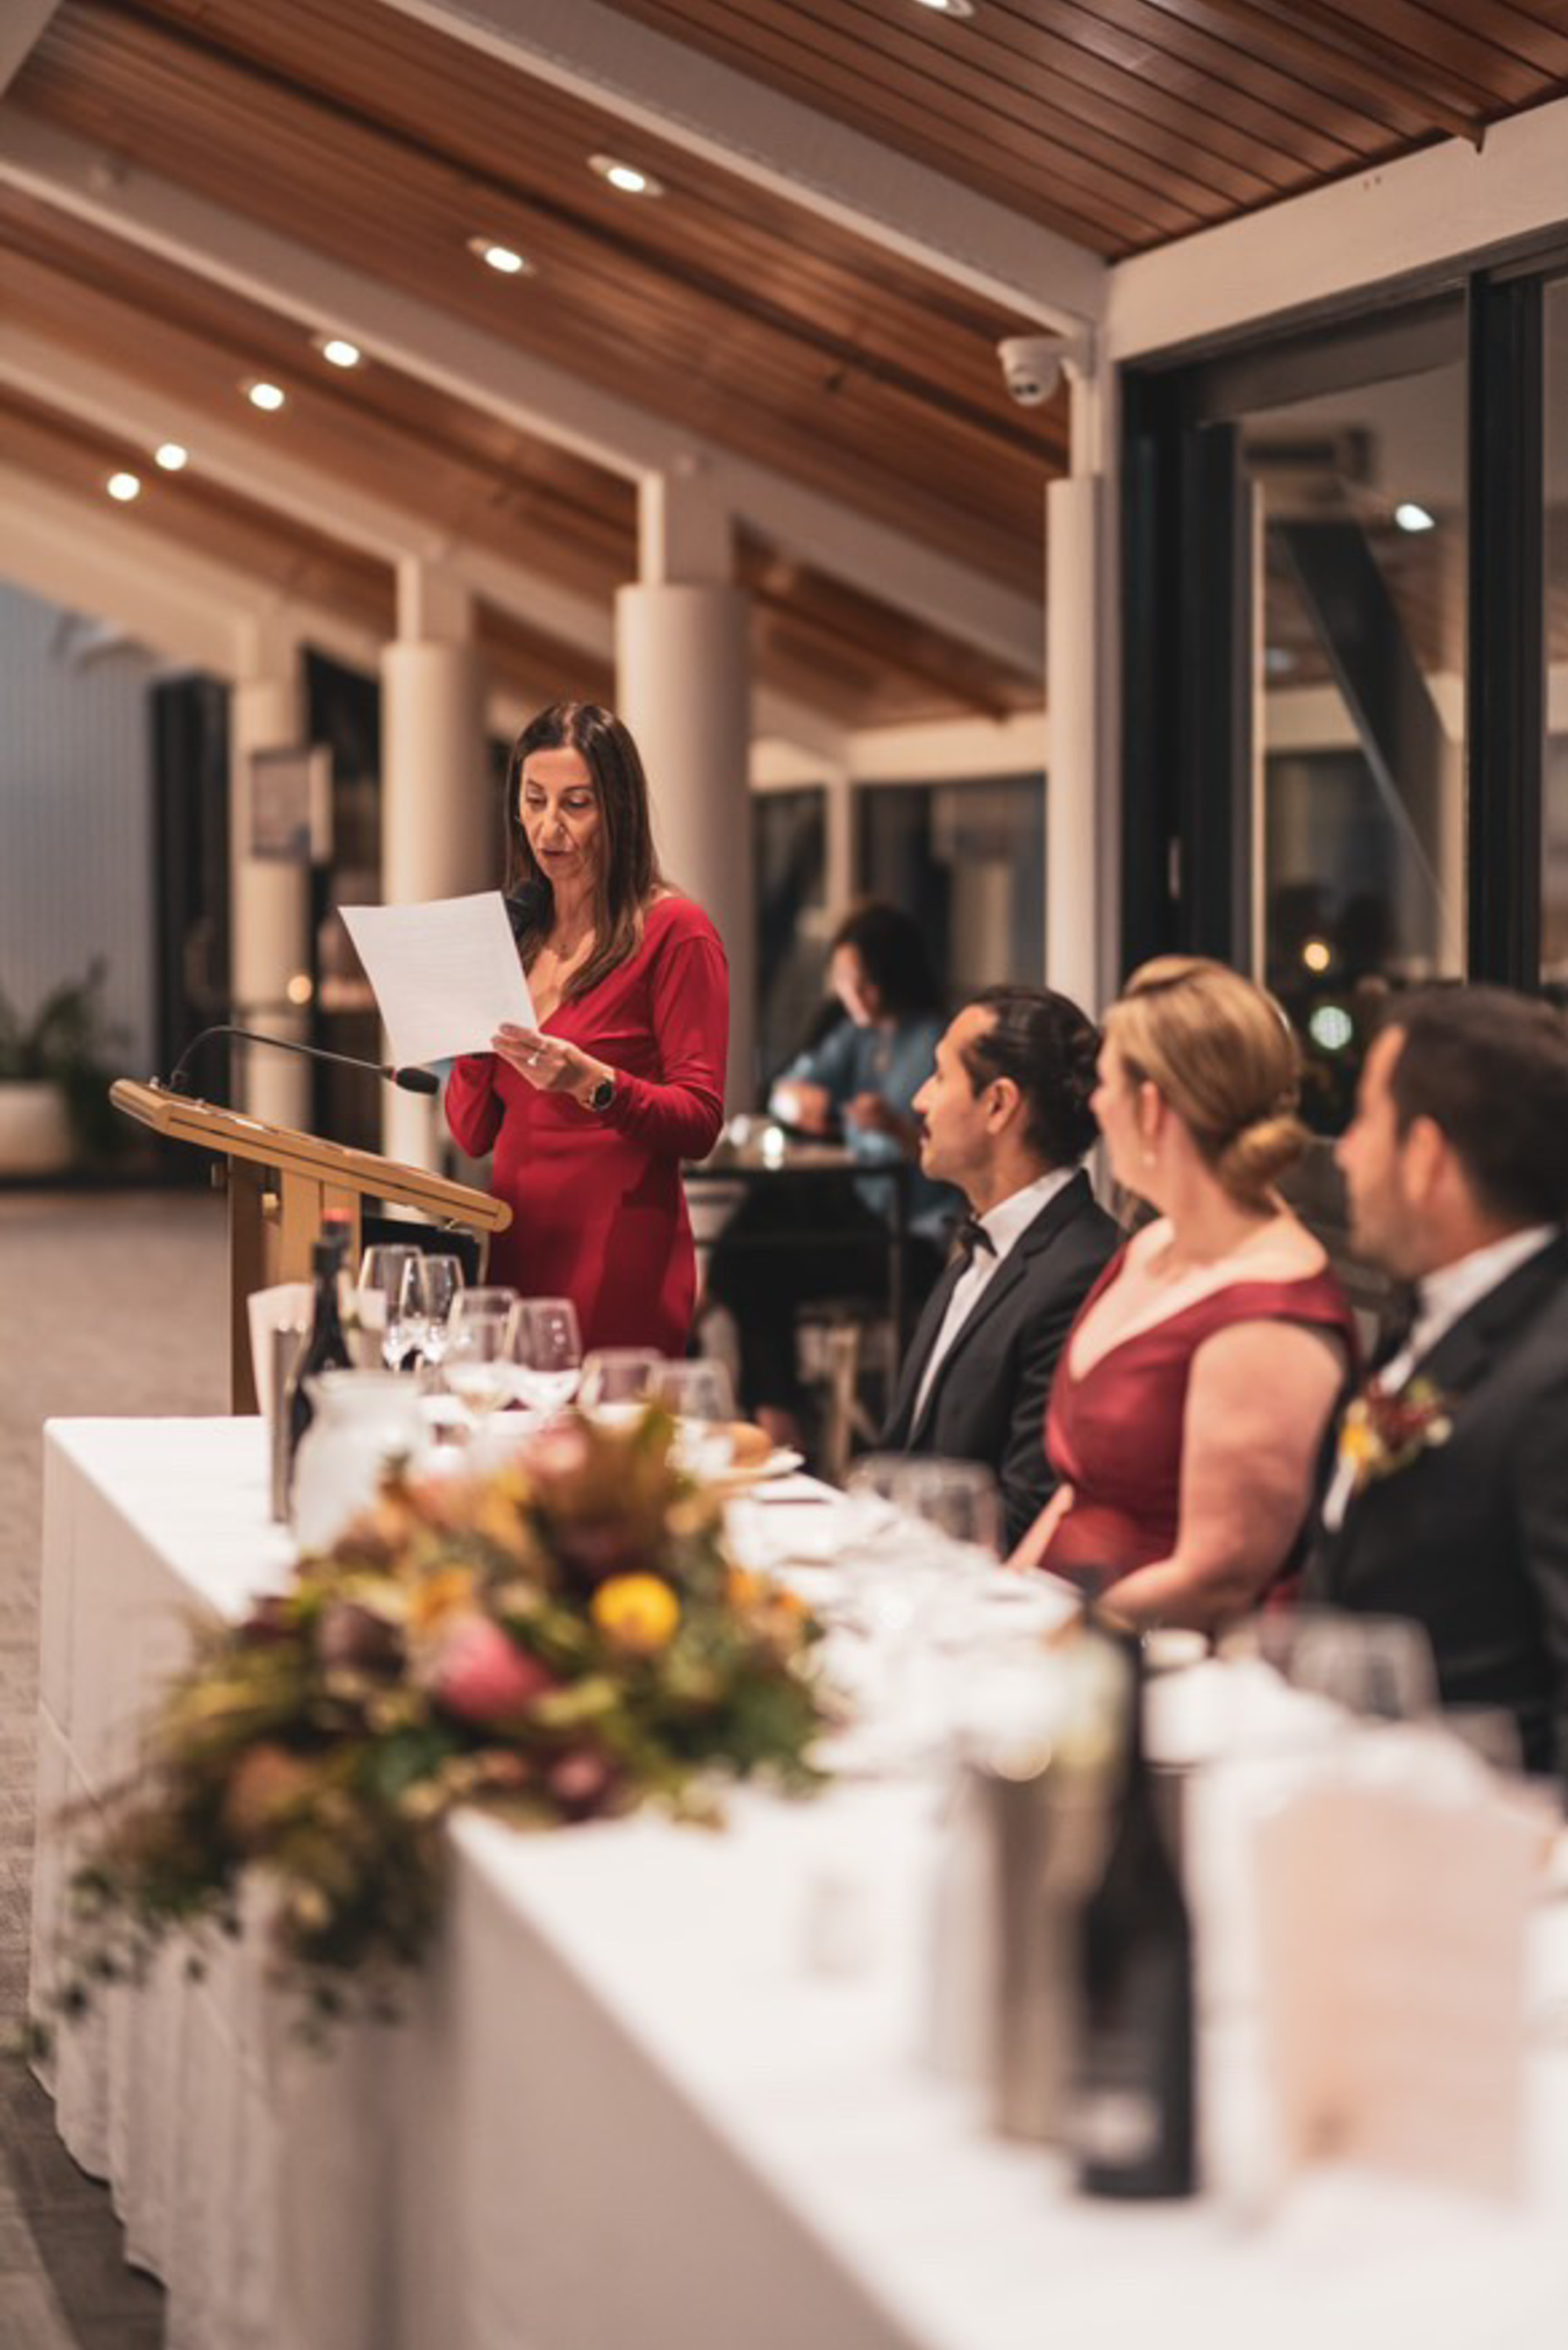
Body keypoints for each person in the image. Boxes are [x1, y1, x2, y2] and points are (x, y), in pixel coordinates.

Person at [1012, 956, 1356, 1628]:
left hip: (1166, 1671)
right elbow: (1074, 1496)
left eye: (1105, 1082)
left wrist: (1047, 1641)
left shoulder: (1270, 1315)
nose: (1094, 1104)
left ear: (1150, 1106)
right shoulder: (1147, 1247)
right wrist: (999, 1600)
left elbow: (1217, 1578)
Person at [1304, 987, 1568, 1778]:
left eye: (1362, 1120)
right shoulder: (1432, 1320)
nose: (1342, 1151)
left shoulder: (1550, 1378)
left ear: (1424, 1158)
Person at [445, 702, 728, 1356]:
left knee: (606, 1455)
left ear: (618, 811)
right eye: (535, 799)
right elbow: (471, 1131)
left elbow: (700, 1119)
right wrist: (465, 1026)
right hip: (522, 1249)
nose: (549, 827)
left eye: (576, 804)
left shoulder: (675, 932)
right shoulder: (515, 936)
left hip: (621, 1259)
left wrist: (593, 1082)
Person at [705, 901, 956, 1444]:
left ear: (893, 979)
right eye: (845, 983)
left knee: (749, 1254)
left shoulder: (935, 1041)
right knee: (756, 1237)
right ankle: (775, 1412)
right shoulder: (860, 1036)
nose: (854, 996)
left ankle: (769, 1410)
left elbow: (946, 1160)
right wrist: (808, 1106)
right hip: (864, 1211)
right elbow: (786, 1091)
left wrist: (892, 1129)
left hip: (909, 1233)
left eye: (864, 983)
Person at [880, 986, 1121, 1549]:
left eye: (939, 1076)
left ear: (998, 1104)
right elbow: (900, 1456)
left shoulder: (1082, 1269)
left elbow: (1024, 1515)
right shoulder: (983, 1241)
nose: (919, 1100)